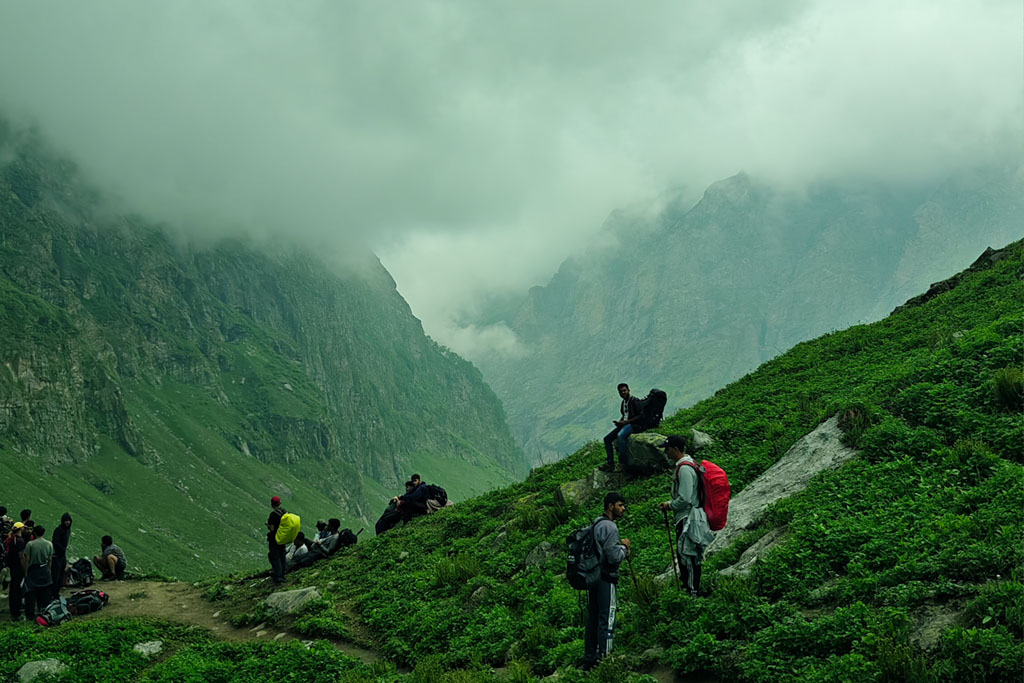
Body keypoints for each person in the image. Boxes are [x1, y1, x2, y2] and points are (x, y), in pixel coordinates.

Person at [658, 435, 715, 597]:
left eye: (667, 449)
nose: (666, 452)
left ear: (676, 449)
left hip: (687, 518)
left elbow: (685, 497)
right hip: (692, 516)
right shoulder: (690, 465)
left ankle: (692, 593)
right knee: (690, 555)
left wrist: (670, 505)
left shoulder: (684, 468)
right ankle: (693, 589)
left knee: (687, 555)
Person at [583, 492, 631, 671]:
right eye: (620, 505)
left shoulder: (596, 524)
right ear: (610, 506)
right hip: (606, 578)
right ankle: (606, 662)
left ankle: (590, 658)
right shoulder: (611, 528)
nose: (623, 509)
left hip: (593, 578)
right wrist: (624, 548)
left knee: (593, 618)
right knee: (607, 619)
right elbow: (612, 558)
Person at [599, 384, 642, 472]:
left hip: (634, 425)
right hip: (625, 424)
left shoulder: (634, 401)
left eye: (624, 390)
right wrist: (620, 422)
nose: (623, 393)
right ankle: (610, 463)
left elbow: (640, 416)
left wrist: (626, 422)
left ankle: (623, 463)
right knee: (607, 439)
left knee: (621, 436)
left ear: (628, 390)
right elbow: (625, 415)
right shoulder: (624, 402)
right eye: (621, 392)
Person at [20, 525, 53, 621]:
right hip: (44, 568)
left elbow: (27, 559)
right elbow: (50, 559)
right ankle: (43, 612)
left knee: (31, 593)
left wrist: (26, 572)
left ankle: (30, 614)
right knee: (44, 591)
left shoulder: (30, 544)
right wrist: (49, 570)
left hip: (33, 569)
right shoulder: (49, 544)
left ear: (34, 533)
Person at [6, 523, 27, 621]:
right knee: (18, 589)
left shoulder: (11, 540)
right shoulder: (20, 541)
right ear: (21, 529)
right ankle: (16, 611)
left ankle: (12, 610)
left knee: (13, 589)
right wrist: (25, 569)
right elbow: (21, 556)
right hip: (18, 568)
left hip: (12, 567)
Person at [50, 513, 72, 599]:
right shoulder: (59, 530)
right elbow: (55, 542)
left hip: (62, 555)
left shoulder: (67, 530)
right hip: (57, 555)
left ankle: (56, 593)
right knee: (56, 575)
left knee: (61, 574)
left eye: (69, 521)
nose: (67, 522)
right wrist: (62, 549)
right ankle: (53, 593)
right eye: (66, 521)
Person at [266, 496, 287, 584]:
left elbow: (272, 528)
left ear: (272, 504)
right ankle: (283, 574)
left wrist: (267, 525)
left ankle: (278, 576)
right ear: (280, 503)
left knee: (276, 556)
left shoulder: (273, 514)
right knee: (282, 555)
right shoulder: (284, 512)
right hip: (283, 537)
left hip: (275, 538)